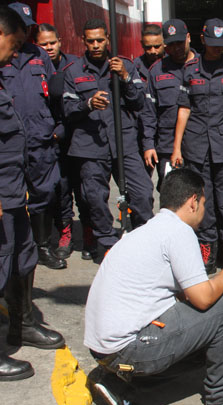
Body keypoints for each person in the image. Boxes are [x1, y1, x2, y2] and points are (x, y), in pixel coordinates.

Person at [84, 168, 223, 405]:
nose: (204, 211)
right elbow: (205, 299)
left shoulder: (148, 230)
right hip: (127, 349)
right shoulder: (179, 232)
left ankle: (119, 379)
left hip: (103, 350)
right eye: (203, 203)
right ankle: (222, 393)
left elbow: (186, 298)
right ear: (193, 201)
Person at [0, 5, 65, 381]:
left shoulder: (34, 60)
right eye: (15, 42)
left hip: (17, 184)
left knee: (23, 255)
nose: (18, 50)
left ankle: (21, 323)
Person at [62, 19, 154, 262]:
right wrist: (88, 104)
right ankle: (107, 242)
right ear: (84, 41)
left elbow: (139, 103)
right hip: (90, 145)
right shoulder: (74, 70)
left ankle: (143, 239)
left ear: (107, 38)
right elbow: (67, 110)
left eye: (100, 40)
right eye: (90, 41)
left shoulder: (125, 65)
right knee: (94, 197)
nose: (95, 45)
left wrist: (124, 78)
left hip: (124, 141)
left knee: (143, 193)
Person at [172, 18, 223, 274]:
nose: (218, 49)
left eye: (222, 45)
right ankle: (206, 246)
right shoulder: (191, 68)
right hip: (196, 146)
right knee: (202, 199)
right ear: (202, 39)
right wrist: (177, 148)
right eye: (214, 44)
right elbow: (184, 108)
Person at [2, 3, 65, 270]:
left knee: (43, 193)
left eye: (29, 28)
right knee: (12, 199)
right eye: (22, 29)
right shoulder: (4, 56)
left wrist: (58, 128)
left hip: (40, 140)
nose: (26, 34)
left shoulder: (40, 56)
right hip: (9, 143)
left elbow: (55, 97)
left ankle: (41, 247)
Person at [35, 23, 95, 261]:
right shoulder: (36, 67)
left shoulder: (73, 66)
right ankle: (65, 234)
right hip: (51, 142)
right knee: (60, 191)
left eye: (52, 42)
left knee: (84, 191)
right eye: (43, 44)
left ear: (60, 41)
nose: (48, 47)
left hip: (76, 137)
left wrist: (62, 129)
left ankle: (89, 236)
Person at [141, 19, 193, 191]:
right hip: (167, 148)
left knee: (199, 200)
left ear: (188, 38)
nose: (177, 48)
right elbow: (149, 112)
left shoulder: (203, 66)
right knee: (171, 196)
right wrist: (148, 144)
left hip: (198, 146)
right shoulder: (157, 71)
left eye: (180, 42)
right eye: (171, 44)